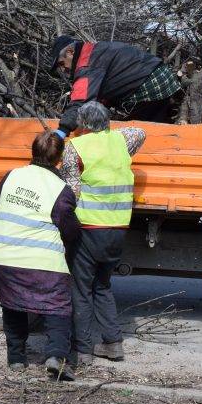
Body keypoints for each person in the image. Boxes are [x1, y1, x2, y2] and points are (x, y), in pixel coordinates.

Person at [0, 130, 81, 380]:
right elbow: (69, 229)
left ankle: (16, 359)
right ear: (59, 159)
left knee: (12, 305)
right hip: (43, 262)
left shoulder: (12, 176)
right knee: (57, 307)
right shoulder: (60, 189)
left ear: (33, 151)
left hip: (3, 258)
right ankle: (56, 357)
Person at [59, 102, 145, 365]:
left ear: (82, 123)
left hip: (88, 229)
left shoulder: (75, 148)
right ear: (107, 121)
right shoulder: (121, 142)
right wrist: (107, 129)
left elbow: (70, 191)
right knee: (103, 286)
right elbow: (140, 132)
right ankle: (113, 344)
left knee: (81, 289)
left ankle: (83, 350)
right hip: (117, 229)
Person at [49, 35, 181, 138]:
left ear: (70, 52)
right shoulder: (95, 50)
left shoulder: (86, 64)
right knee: (156, 123)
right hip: (160, 76)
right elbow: (110, 83)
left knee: (137, 133)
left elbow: (80, 102)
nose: (63, 69)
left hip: (152, 85)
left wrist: (62, 131)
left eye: (62, 63)